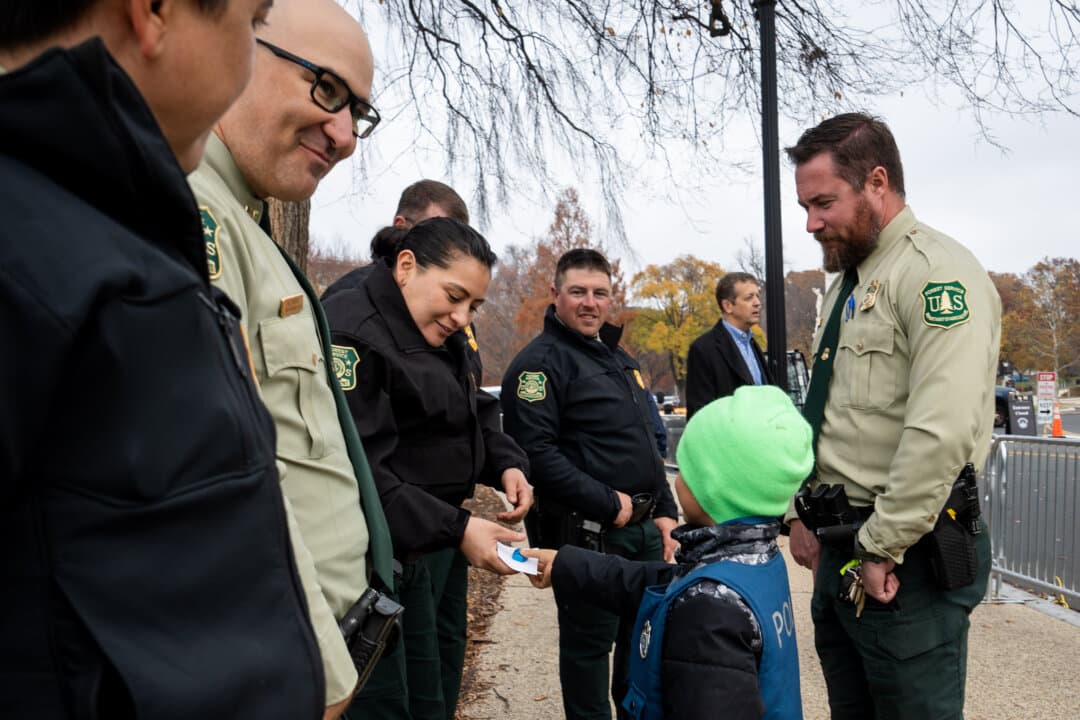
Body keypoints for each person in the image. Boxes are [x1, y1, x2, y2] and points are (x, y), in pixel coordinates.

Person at [0, 2, 325, 718]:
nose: (245, 63)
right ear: (155, 11)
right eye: (250, 21)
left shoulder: (107, 230)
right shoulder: (39, 255)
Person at [186, 2, 392, 717]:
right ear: (236, 45)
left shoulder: (239, 218)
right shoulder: (195, 214)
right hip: (289, 670)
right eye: (327, 90)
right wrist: (321, 674)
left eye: (357, 113)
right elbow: (221, 471)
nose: (344, 137)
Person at [783, 112, 1000, 720]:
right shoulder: (851, 284)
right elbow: (831, 416)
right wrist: (798, 511)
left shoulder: (936, 275)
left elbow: (941, 432)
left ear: (877, 182)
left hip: (905, 559)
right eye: (805, 205)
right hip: (843, 546)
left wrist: (880, 546)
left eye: (824, 202)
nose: (811, 222)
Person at [324, 217, 532, 720]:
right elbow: (363, 475)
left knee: (429, 692)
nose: (463, 318)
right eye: (455, 296)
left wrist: (506, 462)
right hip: (370, 560)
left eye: (475, 306)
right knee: (384, 703)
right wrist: (461, 529)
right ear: (406, 266)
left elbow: (468, 402)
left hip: (423, 542)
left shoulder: (434, 325)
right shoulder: (355, 330)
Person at [525, 385, 811, 720]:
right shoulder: (751, 562)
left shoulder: (708, 608)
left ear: (712, 486)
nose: (675, 481)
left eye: (687, 470)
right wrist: (564, 564)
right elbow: (660, 583)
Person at [500, 248, 679, 720]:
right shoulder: (538, 366)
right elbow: (535, 455)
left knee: (641, 647)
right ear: (556, 295)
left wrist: (666, 512)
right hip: (589, 535)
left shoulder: (620, 359)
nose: (589, 302)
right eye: (578, 291)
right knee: (588, 656)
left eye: (600, 293)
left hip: (642, 530)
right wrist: (607, 502)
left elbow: (646, 442)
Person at [685, 272, 771, 418]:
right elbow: (700, 415)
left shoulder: (752, 345)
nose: (757, 302)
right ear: (728, 306)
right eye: (749, 297)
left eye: (757, 295)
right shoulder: (703, 349)